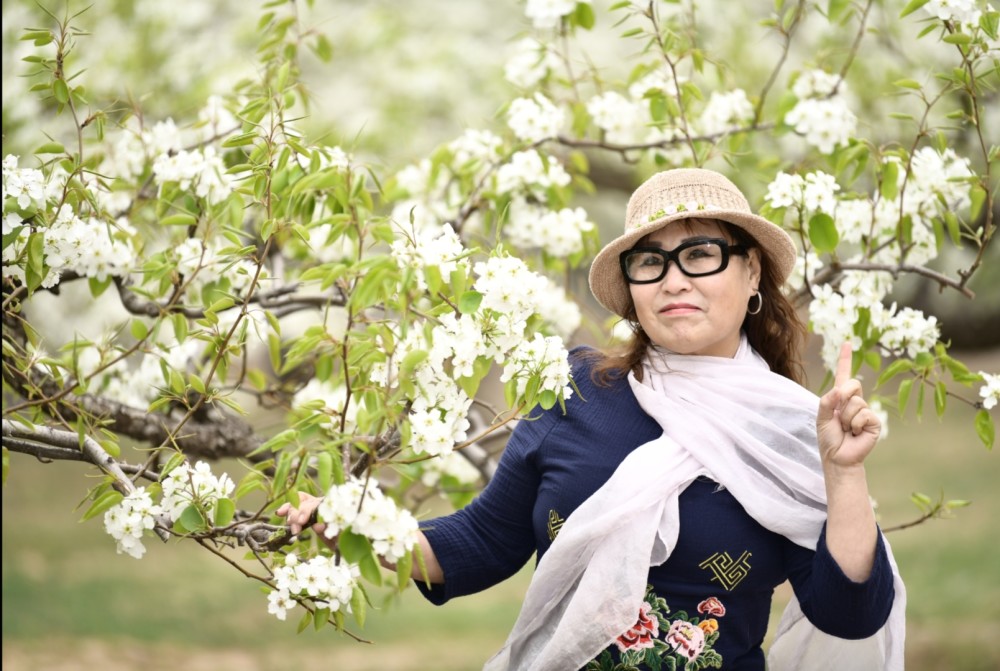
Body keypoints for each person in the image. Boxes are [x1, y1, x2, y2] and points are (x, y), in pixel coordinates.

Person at [279, 168, 905, 671]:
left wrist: (845, 476)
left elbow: (849, 615)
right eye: (650, 261)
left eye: (701, 254)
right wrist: (363, 527)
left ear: (751, 274)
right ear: (632, 289)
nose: (673, 279)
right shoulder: (577, 386)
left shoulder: (790, 429)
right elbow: (485, 542)